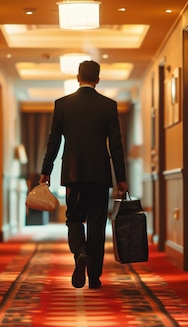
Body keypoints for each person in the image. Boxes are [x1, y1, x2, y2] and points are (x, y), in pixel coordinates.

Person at [39, 60, 129, 289]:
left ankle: (79, 253)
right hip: (100, 174)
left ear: (78, 78)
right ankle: (95, 277)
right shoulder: (108, 106)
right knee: (97, 224)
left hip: (73, 174)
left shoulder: (63, 105)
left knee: (74, 218)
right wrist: (121, 178)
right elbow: (116, 145)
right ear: (98, 79)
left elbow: (54, 141)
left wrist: (46, 171)